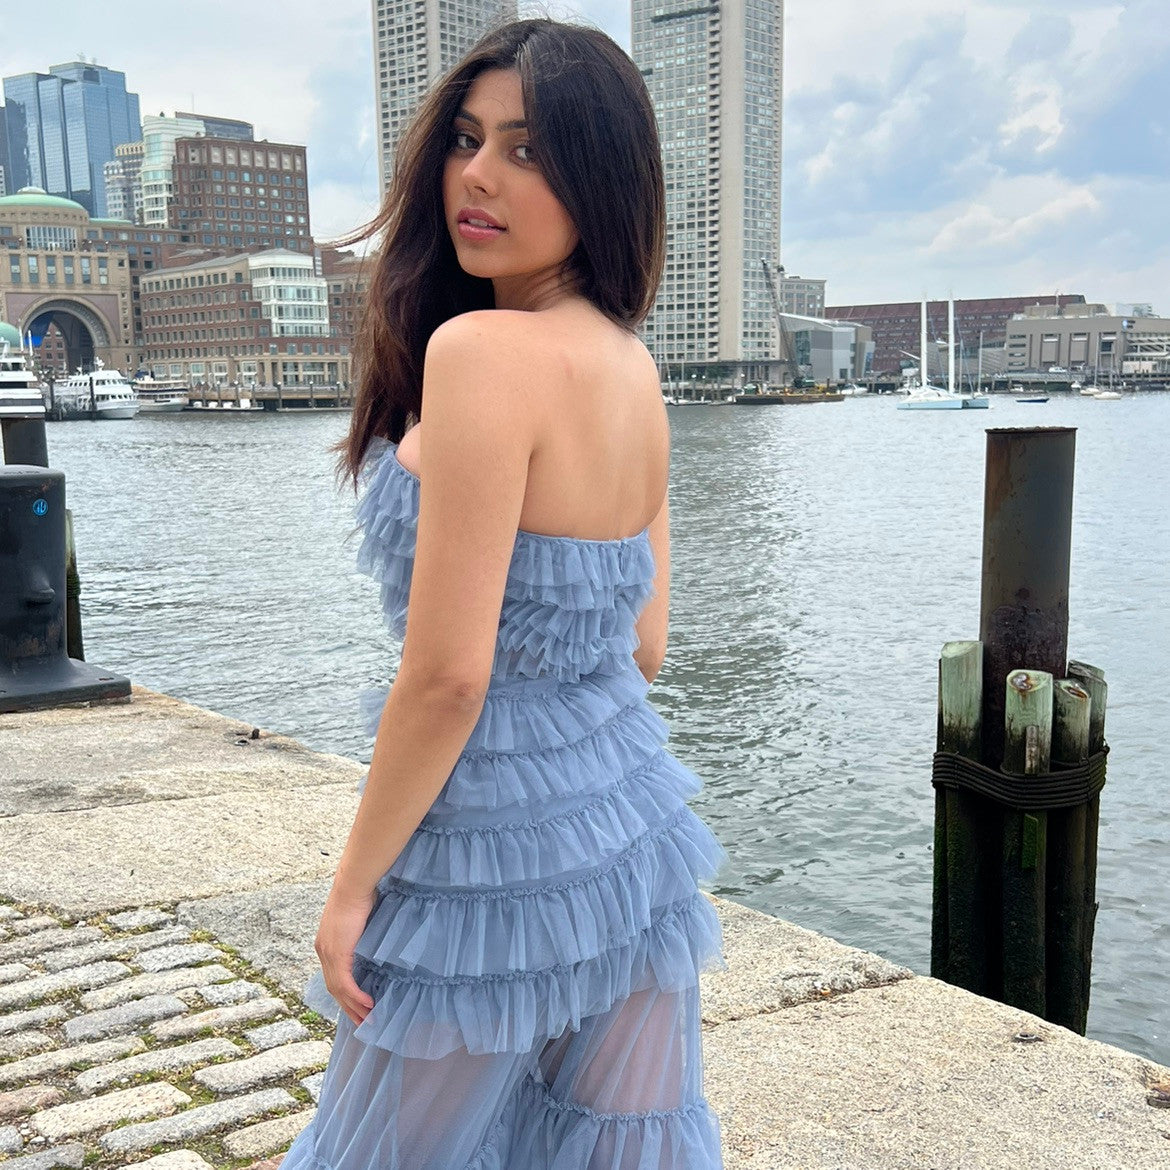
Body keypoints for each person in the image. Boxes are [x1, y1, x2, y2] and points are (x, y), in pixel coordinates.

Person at [280, 18, 726, 1169]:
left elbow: (447, 676)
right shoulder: (632, 364)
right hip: (627, 827)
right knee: (607, 1147)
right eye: (467, 139)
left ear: (601, 176)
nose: (478, 174)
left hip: (487, 846)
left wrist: (352, 889)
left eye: (528, 149)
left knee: (386, 1154)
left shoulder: (483, 354)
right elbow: (644, 645)